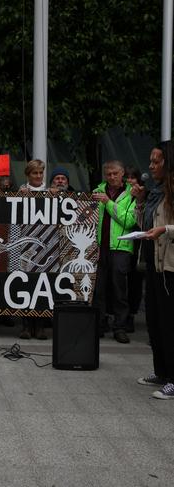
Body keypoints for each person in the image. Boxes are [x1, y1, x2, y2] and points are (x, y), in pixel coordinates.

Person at [132, 142, 174, 399]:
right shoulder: (155, 192)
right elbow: (145, 225)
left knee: (170, 323)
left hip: (169, 266)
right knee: (155, 321)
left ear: (168, 163)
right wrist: (139, 202)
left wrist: (165, 230)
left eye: (156, 162)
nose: (150, 166)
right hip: (152, 264)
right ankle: (161, 371)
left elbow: (164, 228)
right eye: (150, 161)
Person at [91, 160, 136, 344]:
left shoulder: (131, 194)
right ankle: (100, 324)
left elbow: (129, 221)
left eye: (115, 173)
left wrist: (108, 203)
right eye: (108, 174)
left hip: (120, 248)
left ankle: (120, 327)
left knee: (119, 289)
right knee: (98, 289)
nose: (111, 177)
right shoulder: (96, 192)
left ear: (122, 173)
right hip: (99, 248)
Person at [18, 159, 49, 340]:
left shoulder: (49, 193)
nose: (38, 176)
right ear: (28, 175)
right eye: (34, 173)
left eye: (40, 173)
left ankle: (40, 326)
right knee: (26, 283)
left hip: (45, 244)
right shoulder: (21, 191)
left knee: (43, 284)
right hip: (25, 244)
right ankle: (26, 325)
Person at [125, 165, 144, 332]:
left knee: (135, 282)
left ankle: (131, 315)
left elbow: (140, 221)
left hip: (138, 246)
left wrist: (138, 199)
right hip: (122, 243)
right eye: (128, 178)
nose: (130, 181)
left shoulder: (144, 195)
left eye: (133, 178)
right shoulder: (122, 195)